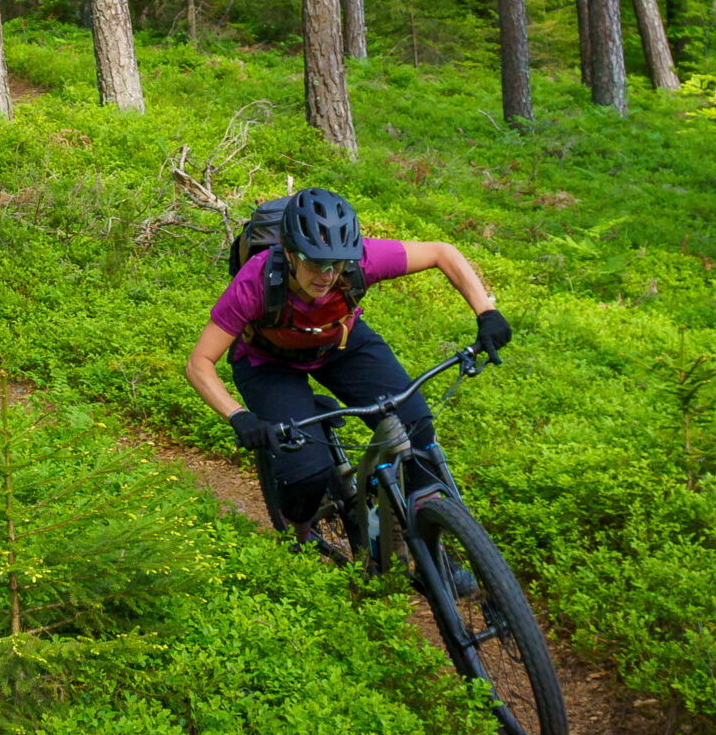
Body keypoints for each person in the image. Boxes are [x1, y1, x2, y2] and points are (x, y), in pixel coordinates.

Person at [181, 187, 511, 541]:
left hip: (339, 343)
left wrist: (487, 312)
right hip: (269, 363)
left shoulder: (359, 261)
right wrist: (238, 416)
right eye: (314, 262)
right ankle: (303, 532)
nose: (326, 275)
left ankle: (436, 549)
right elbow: (199, 362)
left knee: (416, 428)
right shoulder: (256, 282)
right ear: (289, 253)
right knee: (305, 478)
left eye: (335, 264)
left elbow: (442, 253)